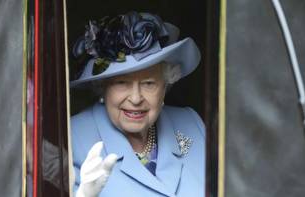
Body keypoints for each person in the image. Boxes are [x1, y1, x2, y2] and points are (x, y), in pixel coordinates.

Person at [70, 11, 206, 197]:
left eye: (148, 83)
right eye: (122, 83)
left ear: (165, 85)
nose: (135, 98)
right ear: (103, 87)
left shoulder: (191, 123)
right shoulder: (71, 139)